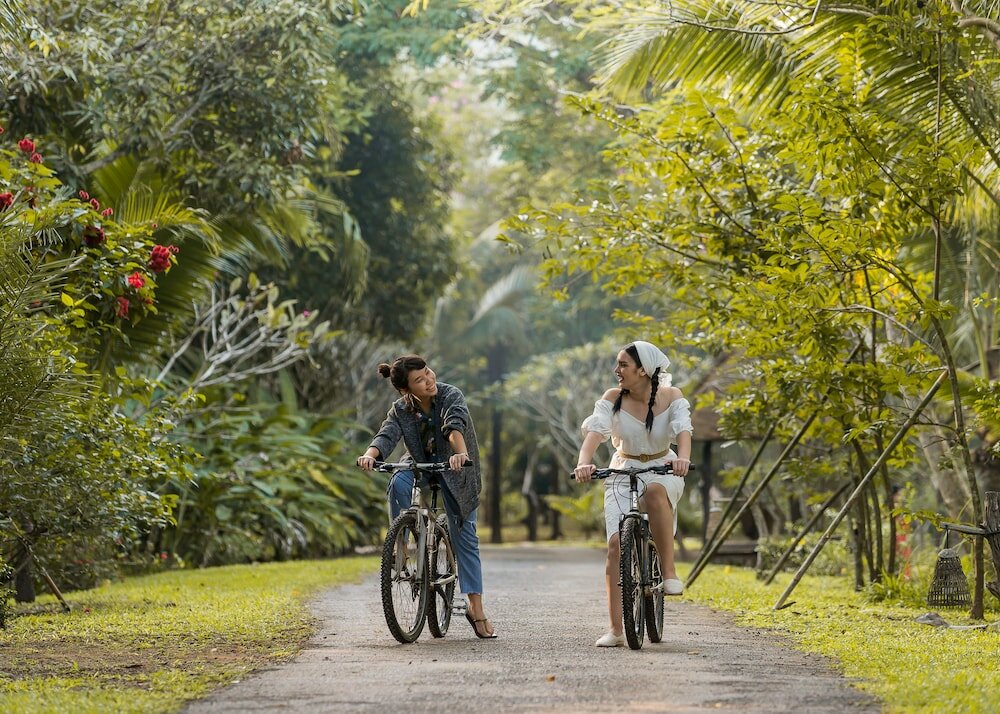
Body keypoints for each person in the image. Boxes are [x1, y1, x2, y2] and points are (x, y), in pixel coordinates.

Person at [357, 354, 496, 639]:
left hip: (456, 467)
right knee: (398, 480)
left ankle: (476, 609)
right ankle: (402, 542)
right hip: (420, 463)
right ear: (406, 390)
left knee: (465, 537)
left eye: (428, 372)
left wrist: (460, 454)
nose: (429, 380)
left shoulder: (450, 395)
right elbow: (387, 435)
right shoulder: (401, 409)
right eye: (419, 380)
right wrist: (370, 455)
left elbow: (453, 426)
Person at [573, 341, 693, 647]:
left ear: (643, 370)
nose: (617, 371)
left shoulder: (672, 396)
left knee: (654, 493)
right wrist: (584, 463)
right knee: (615, 545)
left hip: (663, 467)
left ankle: (668, 571)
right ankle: (616, 629)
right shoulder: (612, 398)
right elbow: (595, 434)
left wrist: (683, 459)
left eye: (623, 365)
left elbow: (683, 432)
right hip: (621, 469)